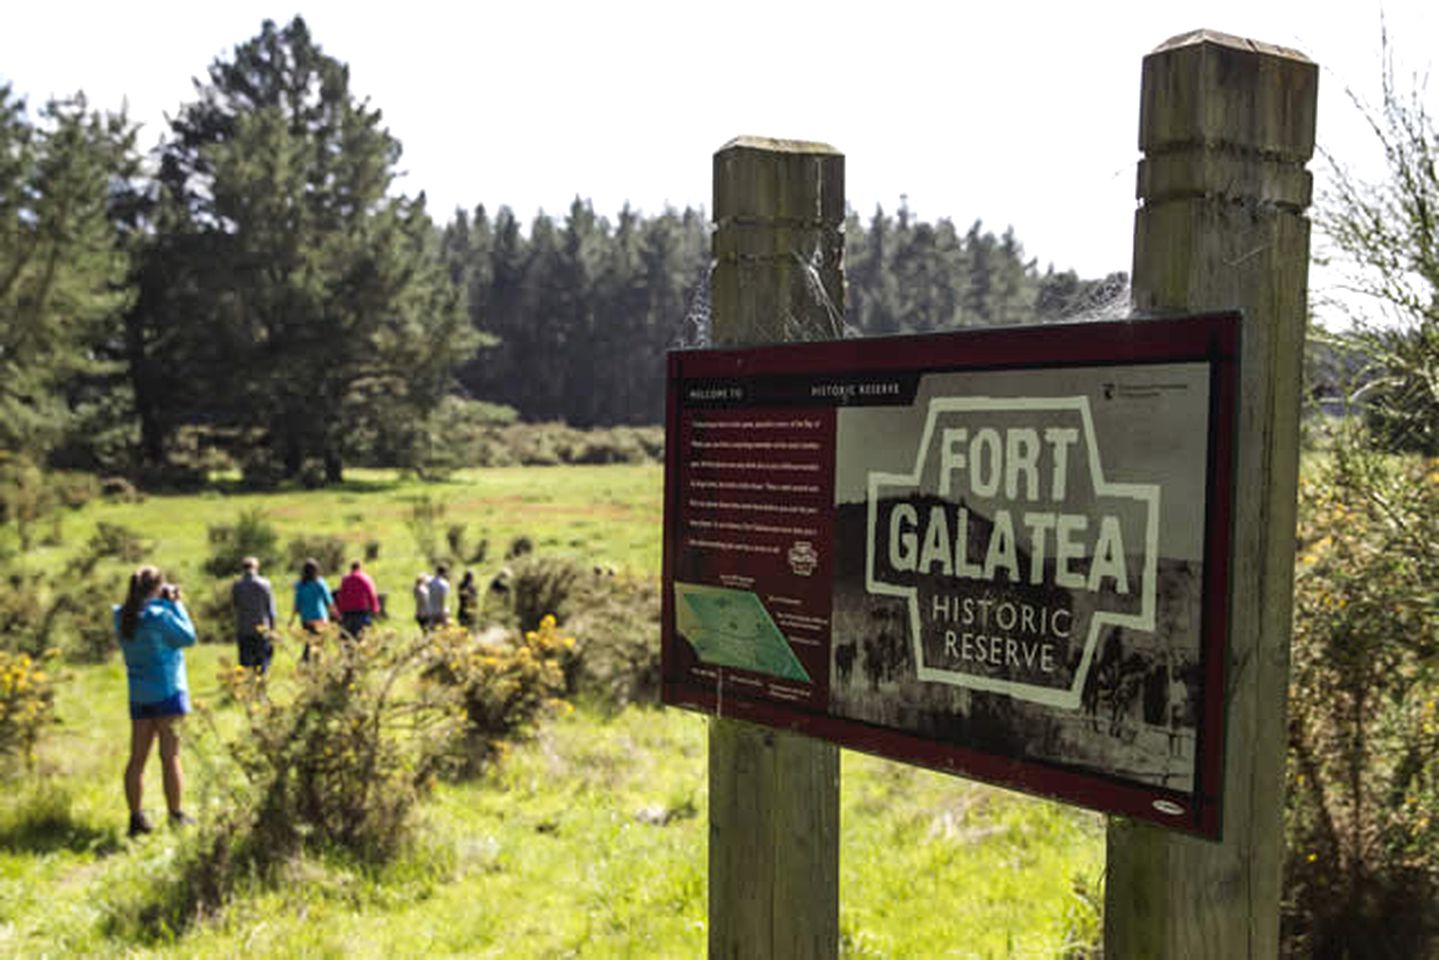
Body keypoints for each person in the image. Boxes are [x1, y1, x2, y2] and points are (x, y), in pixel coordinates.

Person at [114, 565, 197, 837]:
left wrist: (162, 600)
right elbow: (188, 637)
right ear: (157, 587)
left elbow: (138, 612)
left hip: (139, 694)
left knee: (137, 758)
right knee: (169, 756)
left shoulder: (121, 615)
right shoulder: (160, 615)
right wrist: (176, 605)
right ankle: (175, 814)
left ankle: (135, 818)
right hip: (168, 691)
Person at [231, 556, 277, 673]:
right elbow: (270, 609)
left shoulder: (237, 586)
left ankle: (247, 689)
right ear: (256, 568)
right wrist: (273, 629)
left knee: (245, 664)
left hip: (244, 629)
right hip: (261, 628)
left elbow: (235, 606)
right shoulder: (265, 584)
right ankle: (260, 689)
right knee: (262, 663)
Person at [291, 558, 336, 660]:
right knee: (318, 643)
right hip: (320, 617)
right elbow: (328, 600)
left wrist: (292, 618)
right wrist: (334, 613)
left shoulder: (300, 585)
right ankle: (310, 663)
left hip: (306, 618)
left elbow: (297, 604)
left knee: (309, 641)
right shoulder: (320, 583)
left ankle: (307, 662)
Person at [335, 560, 381, 637]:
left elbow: (341, 595)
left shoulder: (345, 579)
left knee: (347, 638)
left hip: (347, 613)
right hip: (361, 612)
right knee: (362, 637)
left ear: (351, 568)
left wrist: (339, 610)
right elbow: (371, 594)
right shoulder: (366, 578)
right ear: (360, 568)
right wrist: (375, 608)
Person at [428, 563, 452, 628]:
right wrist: (443, 611)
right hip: (442, 610)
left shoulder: (430, 582)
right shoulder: (444, 584)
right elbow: (443, 598)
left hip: (431, 610)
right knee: (447, 630)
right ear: (444, 572)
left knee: (432, 630)